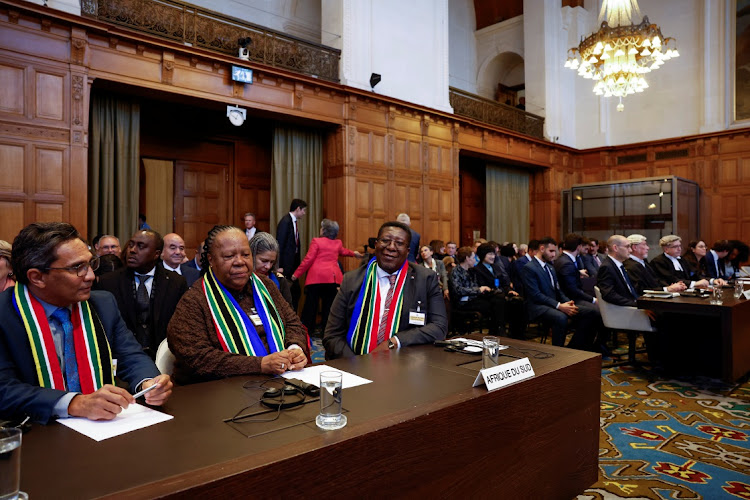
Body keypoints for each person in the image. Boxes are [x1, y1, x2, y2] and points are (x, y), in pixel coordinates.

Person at [0, 222, 171, 424]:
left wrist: (148, 382)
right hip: (31, 431)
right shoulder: (5, 314)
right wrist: (74, 403)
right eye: (77, 268)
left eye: (90, 264)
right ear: (37, 277)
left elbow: (131, 355)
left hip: (103, 426)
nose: (90, 275)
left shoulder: (102, 304)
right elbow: (4, 389)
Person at [168, 225, 309, 384]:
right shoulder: (194, 300)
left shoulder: (266, 286)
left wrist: (294, 348)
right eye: (229, 256)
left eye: (246, 255)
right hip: (217, 392)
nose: (240, 262)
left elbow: (292, 322)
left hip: (278, 382)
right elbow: (196, 357)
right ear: (211, 260)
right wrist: (259, 365)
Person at [324, 221, 447, 359]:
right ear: (376, 244)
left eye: (399, 243)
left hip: (404, 366)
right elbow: (332, 335)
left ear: (407, 251)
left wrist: (394, 342)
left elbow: (439, 327)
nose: (391, 247)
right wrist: (357, 363)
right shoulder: (351, 280)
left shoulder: (425, 279)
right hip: (355, 365)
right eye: (385, 241)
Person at [97, 230, 188, 359]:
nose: (132, 250)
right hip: (123, 360)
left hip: (164, 358)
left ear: (156, 254)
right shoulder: (109, 282)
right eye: (131, 245)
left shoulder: (176, 283)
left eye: (141, 246)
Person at [520, 237, 597, 350]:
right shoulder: (529, 268)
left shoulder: (550, 267)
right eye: (551, 251)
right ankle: (558, 352)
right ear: (542, 249)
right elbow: (536, 295)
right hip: (537, 307)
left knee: (591, 312)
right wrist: (559, 306)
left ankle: (576, 348)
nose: (554, 254)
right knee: (560, 317)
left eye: (555, 251)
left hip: (554, 304)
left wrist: (567, 303)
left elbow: (558, 291)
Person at [292, 219, 362, 336]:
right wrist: (354, 254)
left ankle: (308, 331)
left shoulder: (316, 241)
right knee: (329, 307)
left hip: (316, 278)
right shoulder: (337, 243)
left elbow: (308, 259)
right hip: (332, 279)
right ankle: (326, 331)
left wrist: (296, 274)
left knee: (311, 306)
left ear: (324, 230)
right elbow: (343, 251)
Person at [449, 245, 506, 336]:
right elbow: (458, 290)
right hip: (463, 302)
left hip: (473, 298)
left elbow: (475, 287)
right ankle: (497, 331)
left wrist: (484, 290)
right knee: (493, 305)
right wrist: (478, 290)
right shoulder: (455, 271)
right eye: (473, 258)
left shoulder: (471, 271)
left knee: (497, 299)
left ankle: (497, 330)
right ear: (467, 258)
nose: (475, 260)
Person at [650, 235, 723, 289]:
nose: (679, 249)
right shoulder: (658, 261)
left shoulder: (681, 259)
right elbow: (672, 279)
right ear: (666, 249)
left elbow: (695, 275)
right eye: (675, 247)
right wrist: (694, 283)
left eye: (679, 246)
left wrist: (712, 281)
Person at [276, 199, 307, 309]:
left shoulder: (293, 222)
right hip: (285, 267)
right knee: (288, 295)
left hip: (292, 266)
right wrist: (279, 266)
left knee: (295, 293)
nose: (304, 213)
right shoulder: (285, 222)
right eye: (303, 210)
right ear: (298, 209)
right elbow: (279, 244)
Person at [250, 232, 293, 307]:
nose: (268, 266)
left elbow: (289, 311)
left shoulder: (280, 280)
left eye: (272, 262)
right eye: (264, 261)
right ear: (252, 255)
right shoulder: (241, 279)